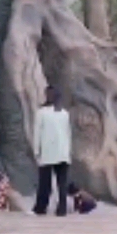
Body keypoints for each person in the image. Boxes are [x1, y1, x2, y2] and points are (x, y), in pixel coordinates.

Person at [33, 87, 72, 216]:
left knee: (45, 182)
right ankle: (62, 209)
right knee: (62, 183)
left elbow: (37, 133)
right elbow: (68, 133)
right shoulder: (64, 113)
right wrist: (68, 151)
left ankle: (41, 207)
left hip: (47, 152)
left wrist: (36, 150)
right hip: (63, 152)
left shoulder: (41, 113)